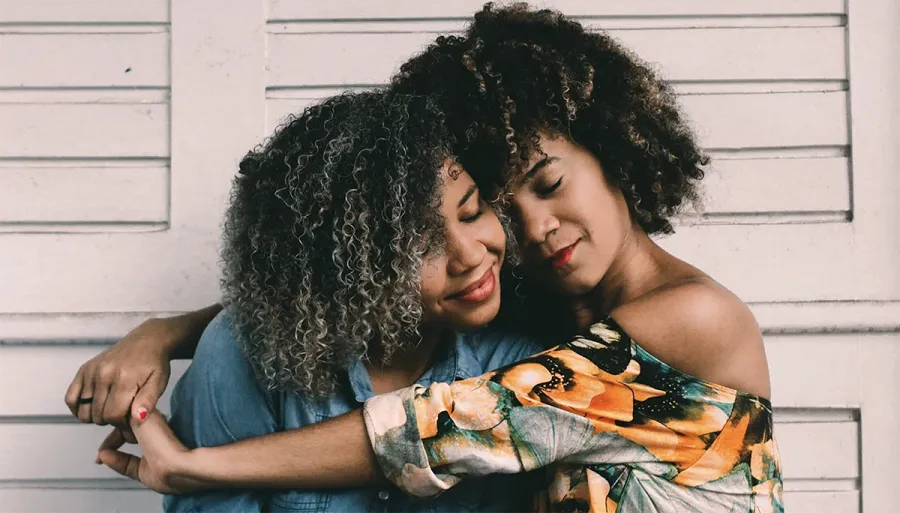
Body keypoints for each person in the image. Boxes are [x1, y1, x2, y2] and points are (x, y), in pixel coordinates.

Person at [67, 4, 782, 512]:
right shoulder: (554, 312)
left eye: (551, 183)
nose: (535, 228)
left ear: (614, 148)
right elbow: (346, 285)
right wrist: (162, 332)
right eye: (500, 206)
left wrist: (198, 468)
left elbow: (459, 425)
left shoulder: (696, 318)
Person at [70, 89, 552, 512]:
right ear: (346, 270)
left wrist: (191, 461)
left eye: (471, 212)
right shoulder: (246, 360)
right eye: (418, 246)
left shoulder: (523, 362)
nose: (470, 255)